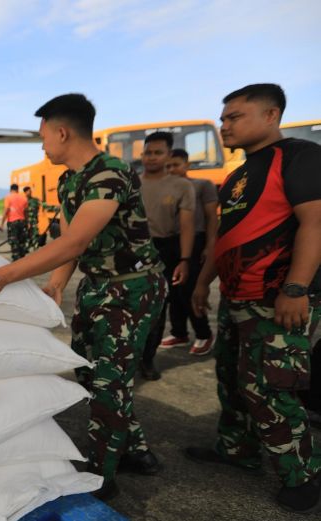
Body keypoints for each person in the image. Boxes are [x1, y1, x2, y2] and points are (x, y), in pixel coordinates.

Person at [0, 93, 167, 501]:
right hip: (98, 286)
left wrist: (1, 276)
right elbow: (67, 240)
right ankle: (137, 450)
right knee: (93, 373)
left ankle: (101, 474)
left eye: (43, 138)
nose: (42, 146)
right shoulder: (70, 179)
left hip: (131, 288)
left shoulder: (109, 172)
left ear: (61, 132)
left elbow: (75, 241)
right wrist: (56, 284)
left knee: (110, 382)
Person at [187, 83, 321, 513]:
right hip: (236, 299)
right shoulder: (237, 175)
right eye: (223, 117)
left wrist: (296, 288)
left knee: (271, 390)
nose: (224, 125)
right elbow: (225, 237)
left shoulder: (299, 157)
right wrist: (203, 282)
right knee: (232, 381)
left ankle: (302, 474)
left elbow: (315, 225)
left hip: (278, 300)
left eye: (234, 117)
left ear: (271, 116)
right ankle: (236, 449)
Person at [138, 131, 194, 380]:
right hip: (132, 250)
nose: (151, 157)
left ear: (168, 155)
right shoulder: (131, 182)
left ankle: (147, 359)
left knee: (157, 310)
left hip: (165, 252)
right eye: (147, 152)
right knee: (129, 308)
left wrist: (185, 259)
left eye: (157, 152)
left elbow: (187, 226)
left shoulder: (181, 186)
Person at [164, 149, 217, 355]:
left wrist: (210, 245)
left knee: (189, 291)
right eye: (168, 166)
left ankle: (204, 333)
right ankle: (179, 333)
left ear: (187, 165)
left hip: (195, 241)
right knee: (172, 292)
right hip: (170, 244)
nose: (171, 169)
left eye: (175, 164)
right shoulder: (164, 189)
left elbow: (212, 217)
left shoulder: (203, 185)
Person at [2, 184, 29, 260]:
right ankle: (22, 258)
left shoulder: (8, 197)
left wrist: (2, 224)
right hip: (22, 222)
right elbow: (26, 212)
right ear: (17, 189)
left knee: (14, 241)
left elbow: (6, 210)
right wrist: (27, 222)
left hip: (12, 222)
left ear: (11, 190)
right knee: (22, 241)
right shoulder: (24, 198)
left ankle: (16, 259)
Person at [23, 186, 42, 251]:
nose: (30, 192)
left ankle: (36, 249)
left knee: (35, 235)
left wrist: (55, 208)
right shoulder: (23, 201)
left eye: (30, 191)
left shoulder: (35, 200)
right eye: (28, 191)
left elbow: (44, 205)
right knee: (26, 236)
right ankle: (26, 249)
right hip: (26, 222)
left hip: (34, 222)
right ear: (25, 192)